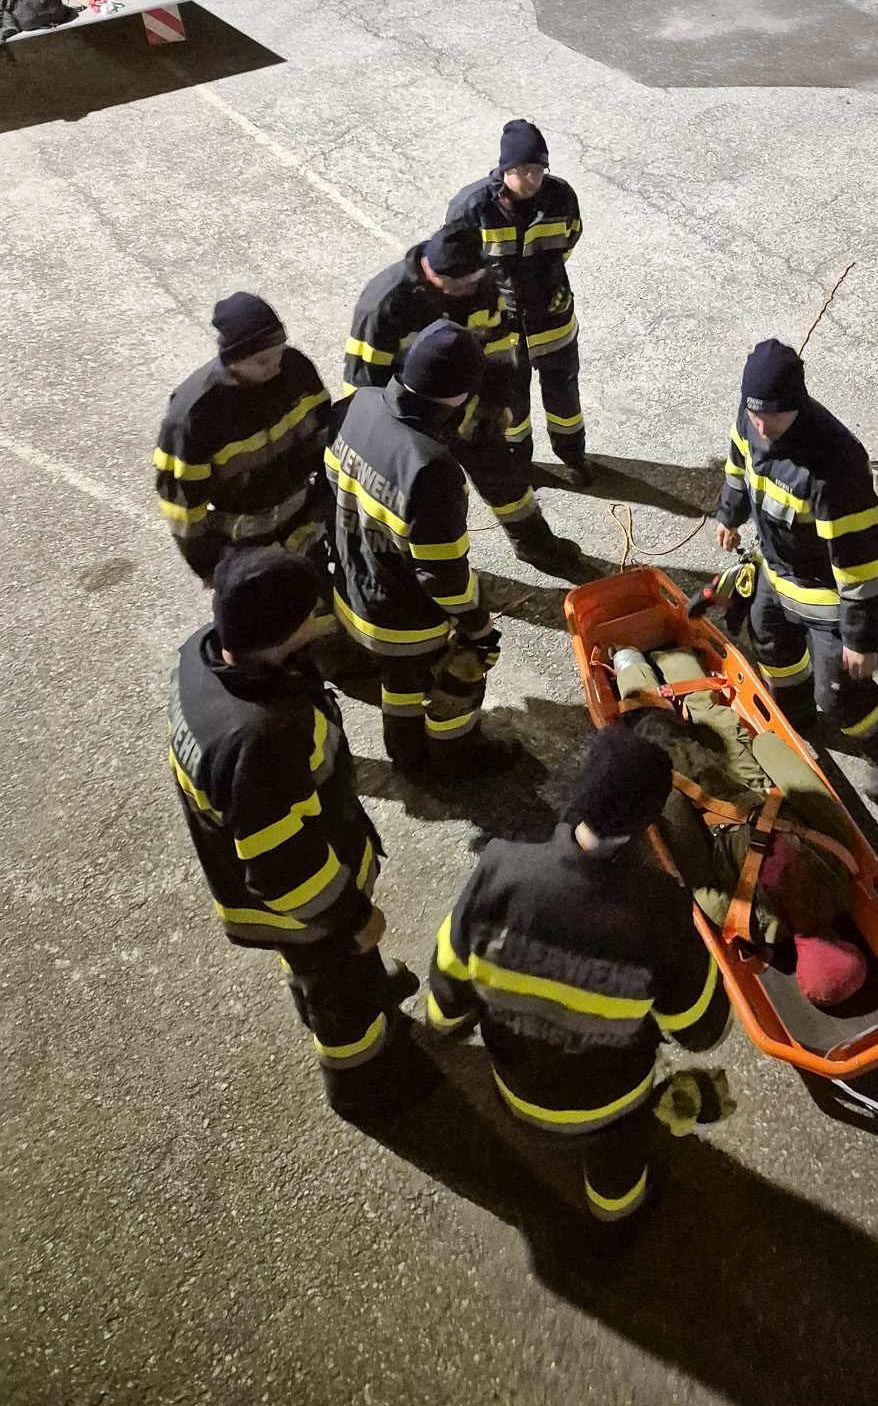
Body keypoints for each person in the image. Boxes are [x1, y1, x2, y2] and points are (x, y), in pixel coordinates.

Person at [167, 545, 434, 1121]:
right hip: (303, 908)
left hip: (277, 882)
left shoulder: (201, 655)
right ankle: (362, 1078)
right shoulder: (265, 739)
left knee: (330, 968)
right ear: (289, 629)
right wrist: (352, 918)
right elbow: (283, 869)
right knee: (337, 989)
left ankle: (352, 991)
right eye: (312, 609)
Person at [426, 724, 732, 1225]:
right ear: (649, 820)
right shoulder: (660, 911)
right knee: (619, 1162)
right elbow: (702, 1030)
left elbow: (447, 990)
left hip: (514, 1089)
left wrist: (448, 1017)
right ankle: (618, 1210)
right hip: (611, 1108)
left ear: (581, 788)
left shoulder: (500, 865)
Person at [715, 339, 878, 795]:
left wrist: (860, 640)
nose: (761, 426)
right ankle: (795, 719)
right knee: (774, 654)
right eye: (754, 414)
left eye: (772, 416)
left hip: (825, 598)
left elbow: (861, 561)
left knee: (840, 697)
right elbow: (739, 469)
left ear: (796, 405)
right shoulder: (752, 419)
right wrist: (728, 515)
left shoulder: (835, 464)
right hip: (775, 574)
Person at [343, 222, 583, 578]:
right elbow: (362, 386)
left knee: (506, 480)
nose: (472, 289)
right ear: (432, 272)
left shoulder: (479, 283)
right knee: (430, 510)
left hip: (468, 413)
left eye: (477, 279)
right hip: (411, 426)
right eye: (463, 284)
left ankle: (535, 544)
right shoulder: (385, 306)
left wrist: (495, 404)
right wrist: (395, 446)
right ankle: (435, 577)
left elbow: (499, 346)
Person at [327, 321, 503, 775]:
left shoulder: (357, 404)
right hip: (407, 622)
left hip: (353, 591)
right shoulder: (431, 469)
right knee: (457, 675)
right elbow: (441, 573)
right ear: (461, 394)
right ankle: (457, 755)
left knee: (400, 681)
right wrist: (477, 624)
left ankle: (407, 755)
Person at [448, 118, 592, 487]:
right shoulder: (472, 207)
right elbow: (457, 268)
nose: (532, 179)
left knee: (564, 400)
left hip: (554, 323)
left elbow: (569, 238)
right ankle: (519, 462)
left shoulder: (561, 197)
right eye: (524, 170)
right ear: (505, 169)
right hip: (502, 333)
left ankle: (573, 456)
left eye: (539, 170)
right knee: (511, 403)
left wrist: (548, 284)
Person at [154, 293, 330, 594]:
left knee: (313, 605)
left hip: (304, 528)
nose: (276, 366)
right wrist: (206, 563)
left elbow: (324, 437)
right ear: (233, 359)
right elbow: (183, 506)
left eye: (279, 352)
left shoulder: (296, 370)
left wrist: (325, 503)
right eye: (262, 361)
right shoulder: (195, 416)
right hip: (243, 550)